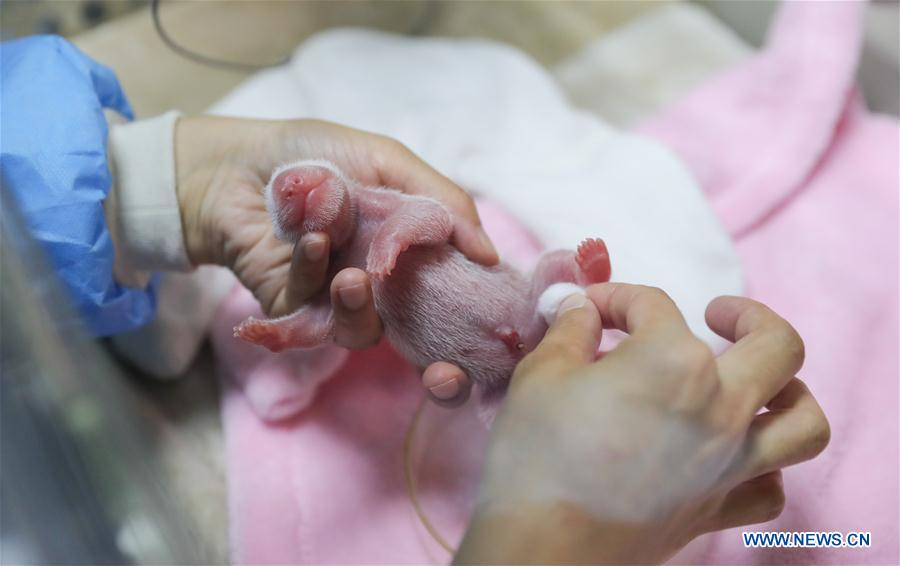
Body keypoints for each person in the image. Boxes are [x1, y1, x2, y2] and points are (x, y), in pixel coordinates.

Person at [1, 36, 829, 564]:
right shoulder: (329, 261)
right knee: (466, 396)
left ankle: (580, 271)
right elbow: (327, 322)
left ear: (339, 186)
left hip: (530, 313)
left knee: (549, 285)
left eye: (300, 193)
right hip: (496, 373)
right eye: (293, 208)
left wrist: (176, 187)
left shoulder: (385, 212)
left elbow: (434, 216)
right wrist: (287, 334)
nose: (298, 204)